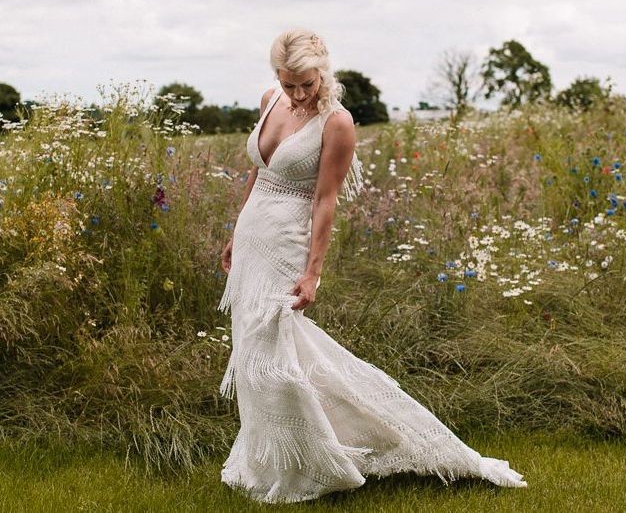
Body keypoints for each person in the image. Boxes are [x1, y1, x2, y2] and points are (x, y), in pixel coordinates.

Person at [217, 29, 527, 503]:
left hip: (287, 242)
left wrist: (313, 271)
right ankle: (272, 457)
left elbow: (325, 199)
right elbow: (258, 173)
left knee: (275, 354)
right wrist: (234, 235)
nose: (299, 93)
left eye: (307, 83)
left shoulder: (336, 123)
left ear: (323, 70)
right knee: (254, 354)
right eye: (289, 83)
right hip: (253, 239)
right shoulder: (269, 100)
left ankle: (317, 462)